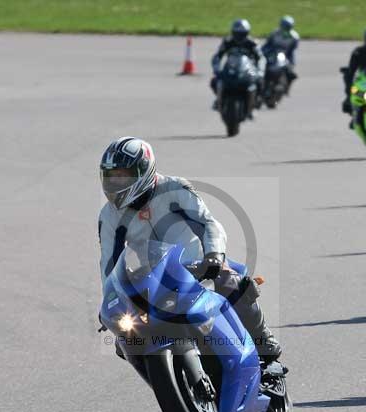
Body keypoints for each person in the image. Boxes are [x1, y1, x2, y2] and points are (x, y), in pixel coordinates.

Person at [98, 137, 284, 362]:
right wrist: (111, 298)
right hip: (153, 279)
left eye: (123, 175)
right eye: (111, 176)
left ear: (143, 170)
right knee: (125, 337)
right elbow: (109, 263)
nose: (116, 182)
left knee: (234, 283)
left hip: (198, 267)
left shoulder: (175, 188)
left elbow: (208, 224)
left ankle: (262, 339)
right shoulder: (108, 216)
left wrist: (214, 256)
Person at [210, 19, 263, 112]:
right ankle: (219, 100)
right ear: (233, 32)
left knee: (259, 81)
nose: (239, 36)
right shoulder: (228, 42)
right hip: (230, 68)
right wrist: (216, 68)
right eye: (237, 33)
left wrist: (260, 70)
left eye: (242, 34)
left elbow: (261, 58)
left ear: (247, 33)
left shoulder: (252, 43)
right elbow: (217, 56)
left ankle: (255, 100)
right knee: (215, 81)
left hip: (248, 69)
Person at [261, 15, 300, 94]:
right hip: (272, 54)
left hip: (285, 56)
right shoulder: (274, 33)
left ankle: (287, 87)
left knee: (291, 73)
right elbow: (267, 45)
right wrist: (264, 53)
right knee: (264, 67)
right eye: (284, 26)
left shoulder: (294, 37)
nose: (285, 29)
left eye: (288, 27)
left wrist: (291, 63)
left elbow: (293, 50)